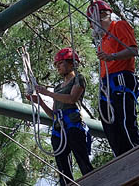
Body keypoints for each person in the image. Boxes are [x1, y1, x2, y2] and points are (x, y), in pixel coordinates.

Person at [29, 48, 94, 186]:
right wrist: (40, 101)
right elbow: (53, 114)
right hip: (59, 128)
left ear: (71, 63)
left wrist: (47, 93)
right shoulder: (58, 88)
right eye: (56, 64)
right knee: (63, 169)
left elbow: (72, 99)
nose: (57, 66)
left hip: (73, 126)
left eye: (61, 63)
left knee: (82, 161)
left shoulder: (78, 79)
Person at [88, 0, 139, 156]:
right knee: (110, 125)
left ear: (102, 15)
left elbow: (133, 50)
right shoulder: (103, 40)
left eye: (92, 19)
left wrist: (112, 57)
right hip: (107, 83)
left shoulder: (118, 26)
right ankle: (122, 156)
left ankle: (137, 152)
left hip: (121, 78)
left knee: (124, 119)